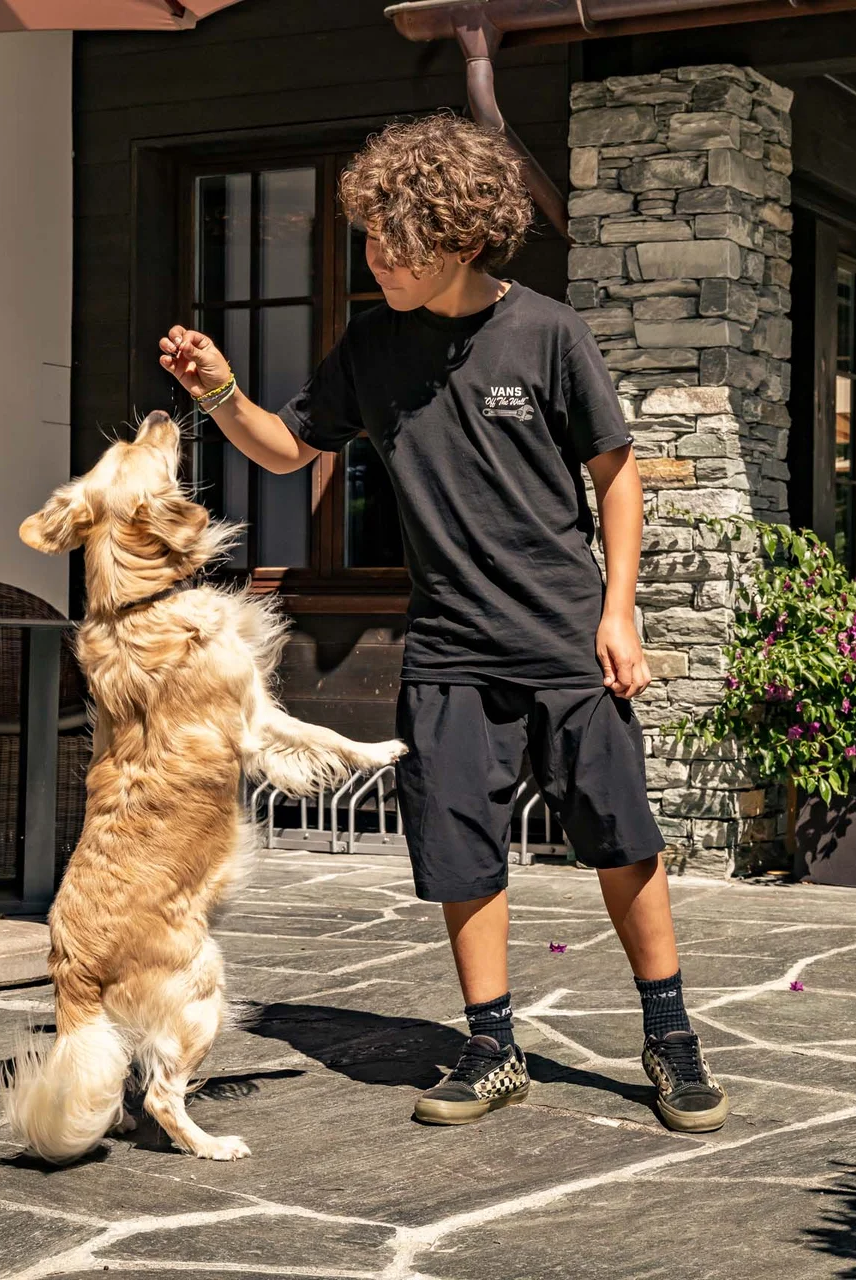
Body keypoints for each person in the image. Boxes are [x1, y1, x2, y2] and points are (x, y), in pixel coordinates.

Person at [158, 113, 729, 1134]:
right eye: (369, 236)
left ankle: (672, 1036)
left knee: (621, 840)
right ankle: (490, 1043)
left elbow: (617, 472)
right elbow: (290, 448)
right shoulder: (373, 345)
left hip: (564, 639)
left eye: (397, 240)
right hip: (452, 647)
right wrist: (222, 393)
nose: (376, 256)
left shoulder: (547, 332)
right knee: (462, 852)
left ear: (463, 235)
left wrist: (620, 611)